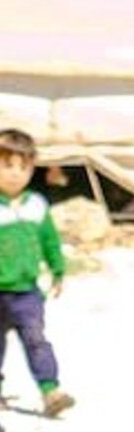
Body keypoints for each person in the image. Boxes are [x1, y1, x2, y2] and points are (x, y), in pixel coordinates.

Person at [0, 128, 74, 417]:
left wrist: (58, 269)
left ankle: (50, 390)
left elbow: (50, 240)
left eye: (24, 167)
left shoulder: (36, 206)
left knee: (35, 338)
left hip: (26, 293)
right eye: (8, 165)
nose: (16, 173)